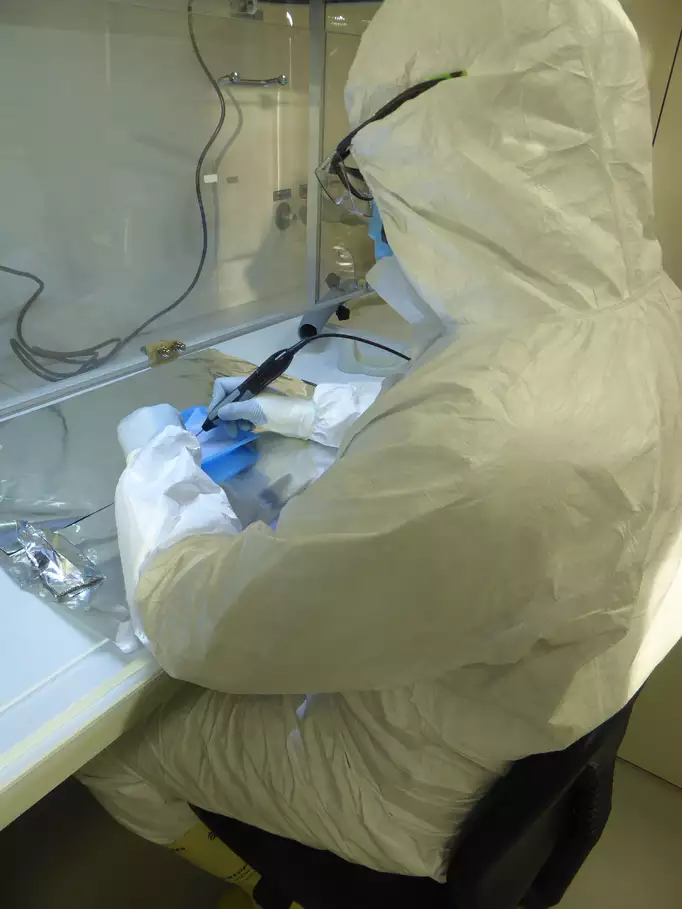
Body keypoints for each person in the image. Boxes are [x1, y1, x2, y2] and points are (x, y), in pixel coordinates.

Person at [81, 0, 682, 905]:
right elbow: (479, 414)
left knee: (110, 739)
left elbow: (206, 627)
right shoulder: (645, 316)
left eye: (372, 185)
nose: (373, 221)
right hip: (536, 724)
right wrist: (311, 409)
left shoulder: (492, 437)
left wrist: (156, 461)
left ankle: (262, 877)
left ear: (443, 163)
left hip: (410, 783)